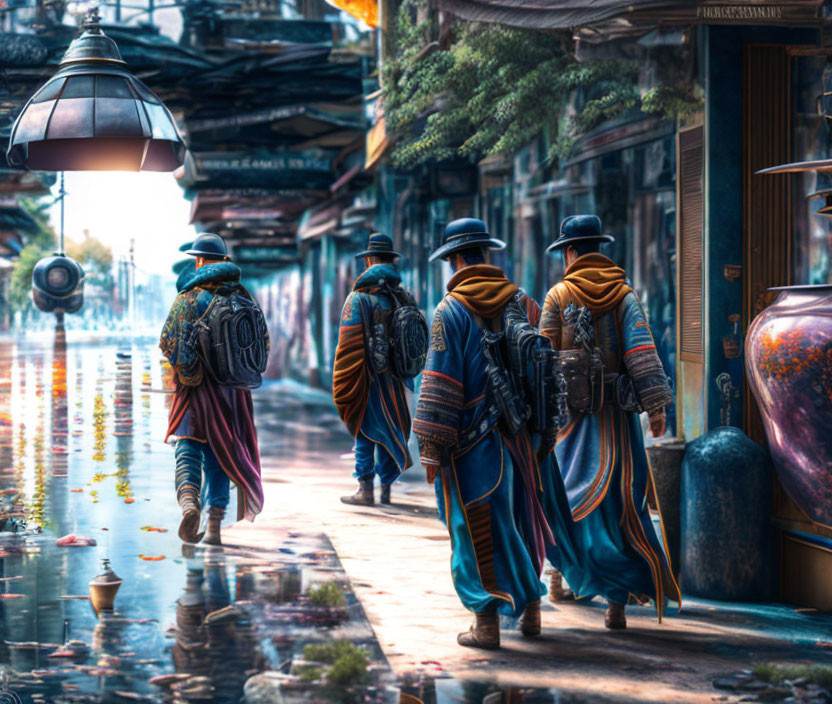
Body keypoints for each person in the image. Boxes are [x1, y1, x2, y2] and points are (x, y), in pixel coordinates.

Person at [413, 218, 583, 650]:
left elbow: (438, 382)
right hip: (523, 439)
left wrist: (431, 447)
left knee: (472, 528)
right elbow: (545, 371)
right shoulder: (522, 302)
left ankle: (486, 622)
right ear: (486, 255)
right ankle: (532, 615)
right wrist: (545, 431)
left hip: (471, 447)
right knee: (523, 520)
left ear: (453, 260)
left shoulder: (448, 311)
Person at [540, 214, 680, 629]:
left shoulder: (558, 296)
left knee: (565, 500)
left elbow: (542, 359)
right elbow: (641, 351)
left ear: (569, 252)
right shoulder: (624, 296)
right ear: (599, 250)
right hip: (616, 427)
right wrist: (657, 406)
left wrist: (537, 415)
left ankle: (559, 576)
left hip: (570, 426)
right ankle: (616, 603)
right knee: (620, 507)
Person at [160, 233, 265, 546]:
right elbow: (261, 343)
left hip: (194, 392)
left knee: (188, 447)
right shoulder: (244, 296)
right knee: (221, 454)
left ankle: (190, 503)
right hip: (233, 394)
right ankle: (215, 527)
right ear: (225, 261)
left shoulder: (188, 299)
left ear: (200, 261)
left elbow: (168, 342)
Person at [332, 233, 414, 506]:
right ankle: (387, 489)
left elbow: (347, 345)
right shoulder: (403, 296)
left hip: (366, 379)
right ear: (390, 262)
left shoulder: (358, 299)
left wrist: (345, 382)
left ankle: (365, 489)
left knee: (364, 430)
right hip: (396, 381)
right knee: (392, 430)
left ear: (368, 261)